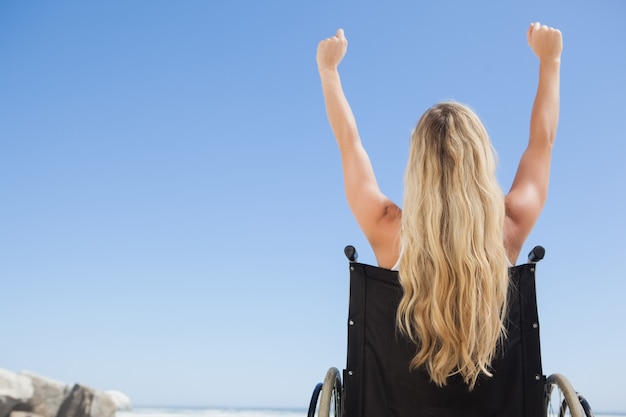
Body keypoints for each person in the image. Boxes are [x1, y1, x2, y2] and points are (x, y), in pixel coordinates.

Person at [316, 23, 562, 389]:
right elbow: (542, 143)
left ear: (417, 167)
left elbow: (349, 144)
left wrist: (328, 71)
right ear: (481, 163)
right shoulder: (510, 225)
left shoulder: (386, 228)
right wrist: (550, 61)